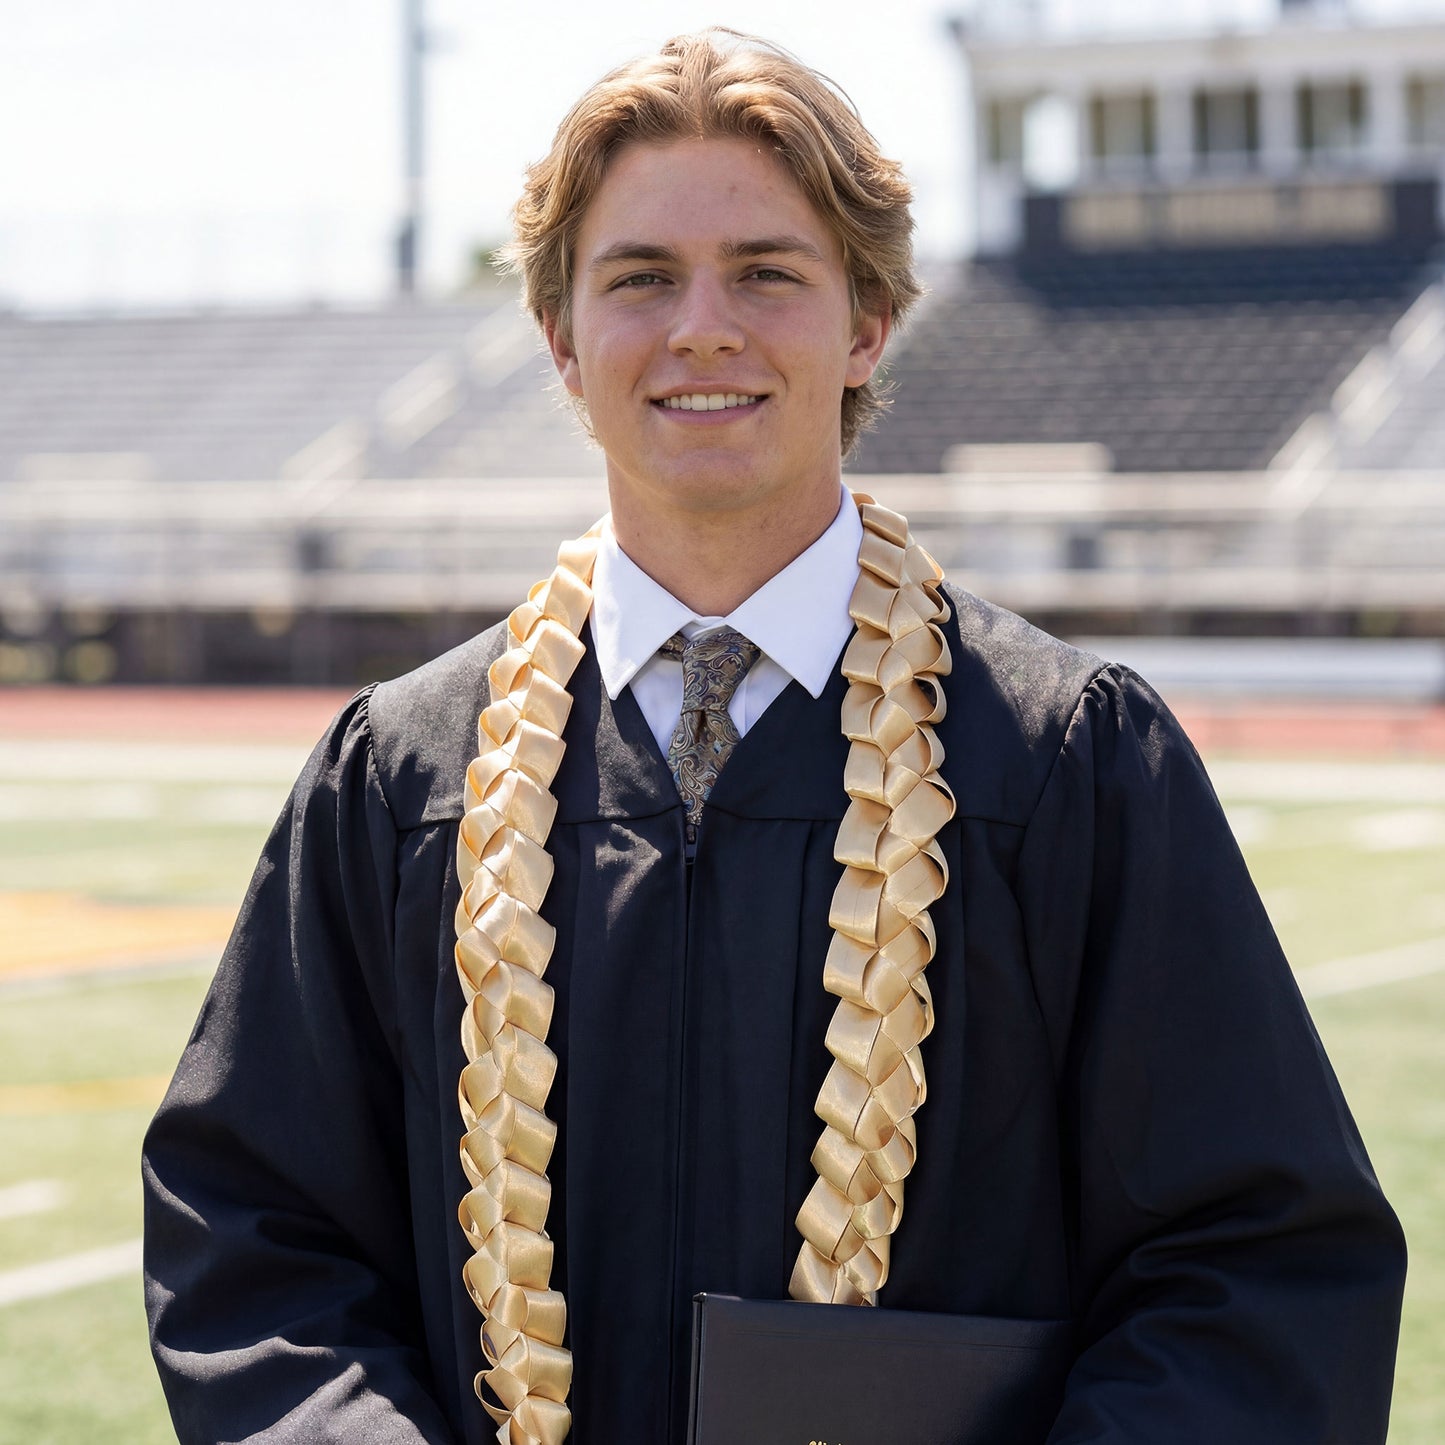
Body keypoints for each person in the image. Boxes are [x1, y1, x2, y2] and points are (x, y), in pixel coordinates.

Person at [143, 28, 1406, 1445]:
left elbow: (1255, 1264)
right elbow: (255, 1241)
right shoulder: (403, 780)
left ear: (865, 322)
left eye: (765, 271)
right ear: (561, 340)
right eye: (637, 279)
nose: (701, 327)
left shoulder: (1059, 764)